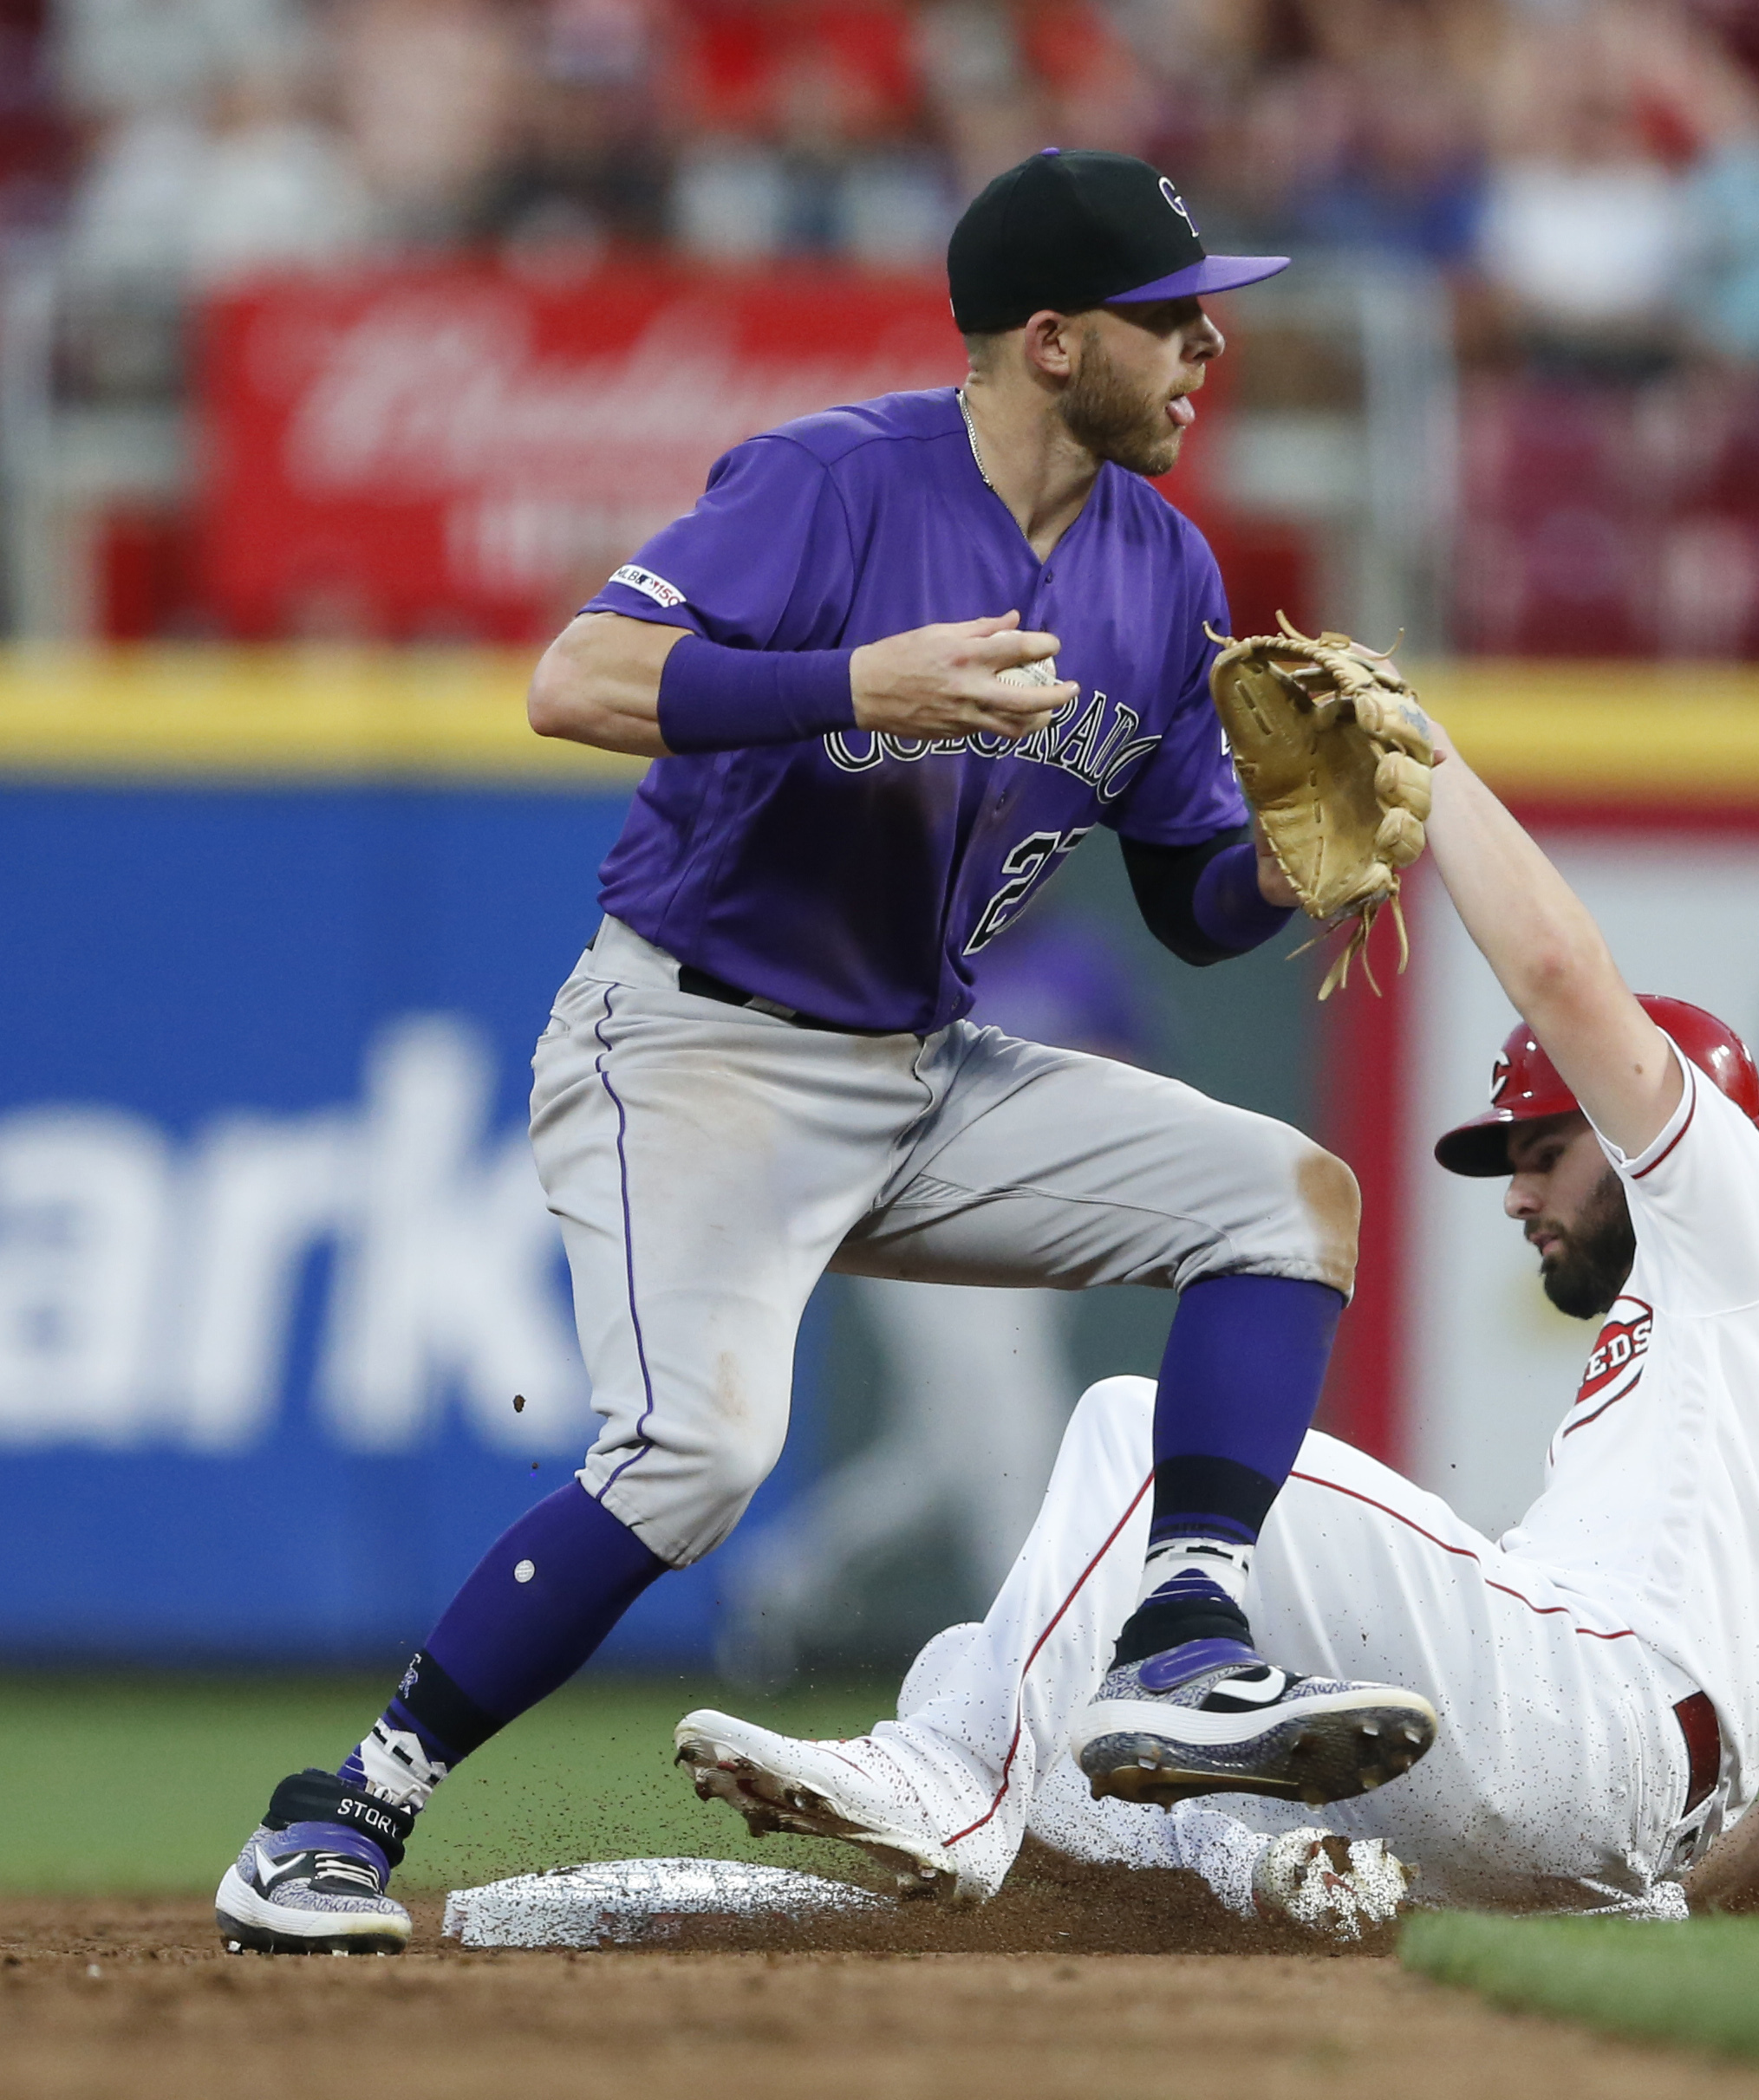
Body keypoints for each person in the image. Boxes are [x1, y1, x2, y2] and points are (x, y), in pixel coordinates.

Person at [213, 147, 1437, 1957]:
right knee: (694, 1464)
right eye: (1171, 322)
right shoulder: (832, 483)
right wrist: (850, 683)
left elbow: (1188, 900)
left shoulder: (1158, 566)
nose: (1204, 357)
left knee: (1282, 1198)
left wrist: (1285, 868)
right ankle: (342, 1813)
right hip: (692, 1046)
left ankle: (1182, 1636)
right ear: (1046, 340)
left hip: (917, 1069)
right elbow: (577, 680)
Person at [672, 718, 1759, 1927]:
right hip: (1597, 1806)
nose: (1515, 1192)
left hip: (1592, 1713)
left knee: (1133, 1429)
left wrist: (1426, 748)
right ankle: (1265, 1865)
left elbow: (1559, 970)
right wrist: (1683, 1899)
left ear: (1653, 1141)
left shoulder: (1740, 1213)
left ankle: (950, 1784)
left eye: (1544, 1151)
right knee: (999, 1677)